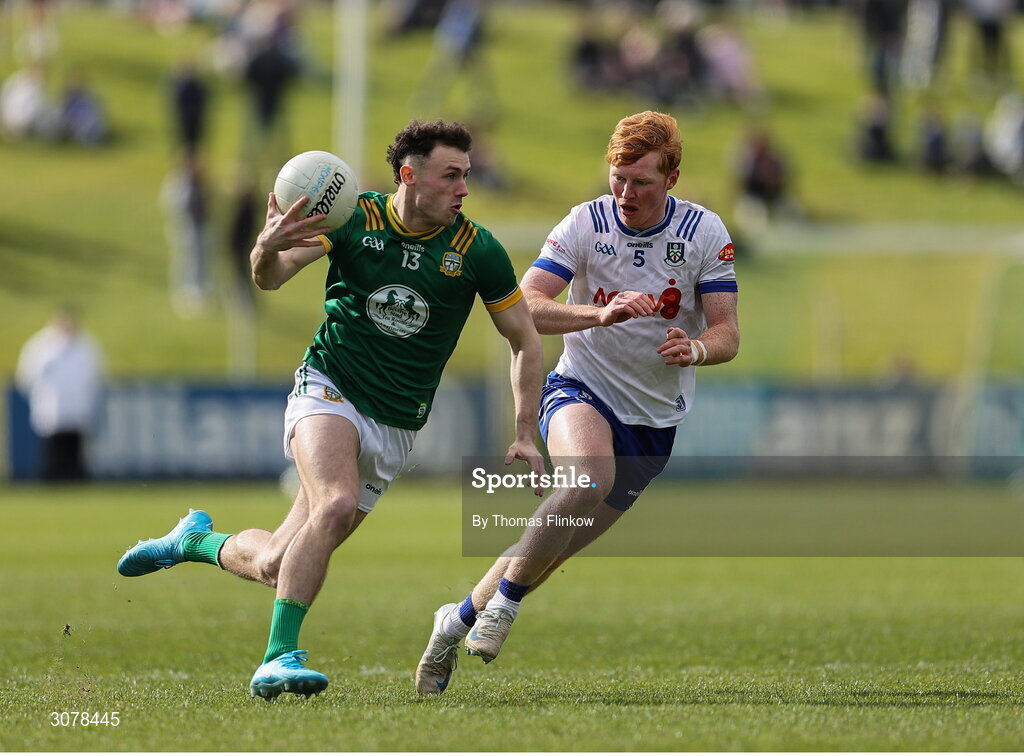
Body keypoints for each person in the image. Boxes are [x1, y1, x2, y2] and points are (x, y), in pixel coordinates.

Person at [116, 119, 545, 700]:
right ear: (409, 175)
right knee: (336, 502)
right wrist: (265, 247)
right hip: (329, 389)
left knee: (274, 563)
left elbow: (524, 337)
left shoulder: (477, 250)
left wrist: (523, 429)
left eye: (466, 176)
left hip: (396, 427)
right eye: (451, 176)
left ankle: (196, 541)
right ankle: (276, 657)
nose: (464, 189)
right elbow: (270, 279)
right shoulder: (350, 216)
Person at [415, 110, 740, 694]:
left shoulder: (705, 233)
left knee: (547, 549)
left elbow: (727, 334)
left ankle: (454, 620)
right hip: (580, 389)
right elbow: (526, 305)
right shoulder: (586, 223)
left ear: (672, 178)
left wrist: (693, 349)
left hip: (654, 424)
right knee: (584, 480)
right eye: (618, 176)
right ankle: (504, 610)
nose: (625, 192)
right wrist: (599, 313)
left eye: (641, 181)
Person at [16, 304, 104, 482]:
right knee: (52, 455)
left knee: (74, 455)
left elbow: (96, 377)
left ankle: (76, 485)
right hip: (51, 410)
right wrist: (38, 401)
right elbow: (26, 377)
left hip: (78, 410)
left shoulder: (87, 346)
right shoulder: (40, 346)